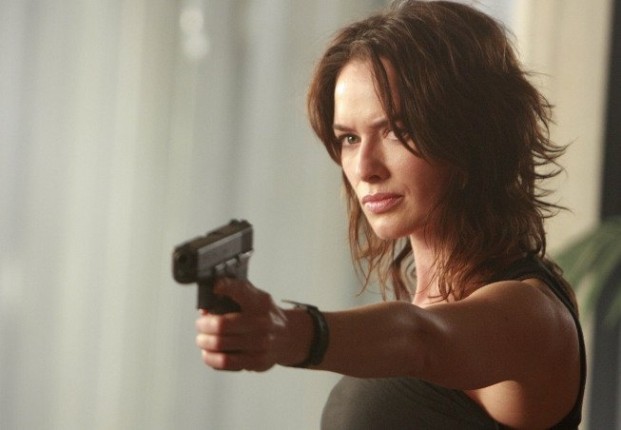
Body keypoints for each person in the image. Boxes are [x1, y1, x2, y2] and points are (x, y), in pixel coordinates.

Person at [194, 1, 586, 428]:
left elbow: (421, 339)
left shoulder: (532, 314)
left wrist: (290, 331)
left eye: (396, 131)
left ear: (472, 138)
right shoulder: (420, 306)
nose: (365, 168)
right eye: (349, 138)